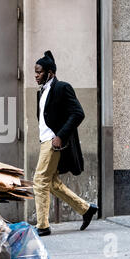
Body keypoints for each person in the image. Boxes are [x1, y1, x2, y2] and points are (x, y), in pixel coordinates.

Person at [33, 50, 98, 236]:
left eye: (39, 72)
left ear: (50, 73)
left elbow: (78, 113)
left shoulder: (62, 87)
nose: (36, 76)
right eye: (35, 72)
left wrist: (60, 136)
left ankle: (42, 226)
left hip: (53, 143)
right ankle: (86, 209)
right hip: (45, 141)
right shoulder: (41, 92)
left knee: (39, 181)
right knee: (52, 183)